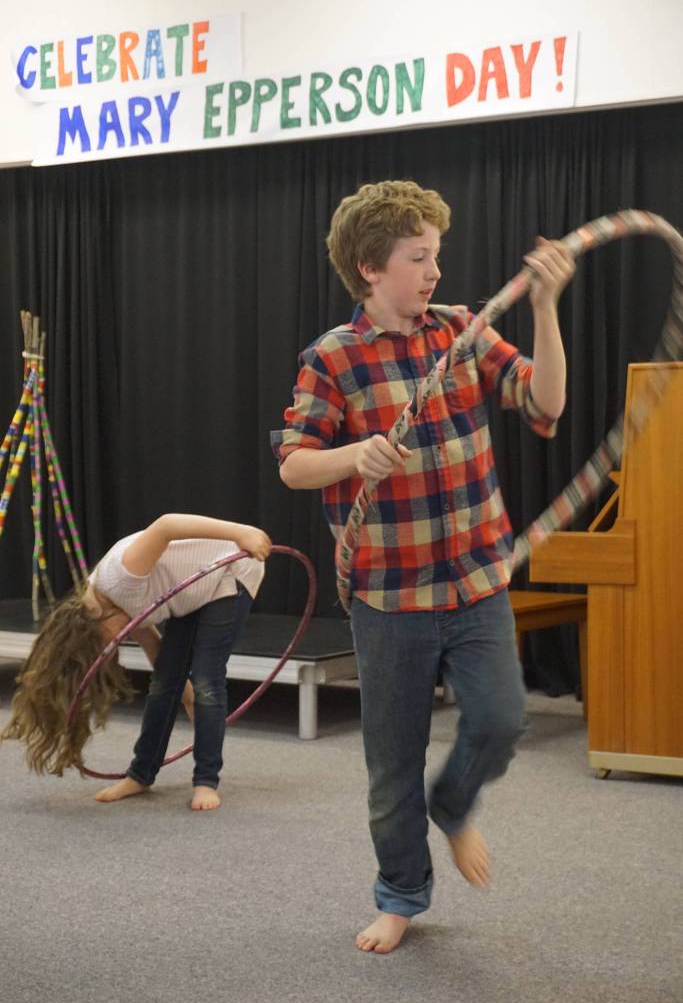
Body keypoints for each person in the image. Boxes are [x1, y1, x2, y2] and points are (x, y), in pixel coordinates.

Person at [271, 180, 573, 952]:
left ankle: (454, 803)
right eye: (418, 257)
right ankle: (401, 894)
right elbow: (294, 466)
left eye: (436, 254)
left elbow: (545, 408)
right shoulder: (333, 358)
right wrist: (354, 455)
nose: (434, 270)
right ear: (371, 268)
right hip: (387, 596)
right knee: (390, 764)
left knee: (502, 719)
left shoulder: (462, 333)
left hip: (475, 581)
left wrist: (543, 307)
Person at [1, 513, 271, 811]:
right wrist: (185, 696)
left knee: (207, 678)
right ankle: (141, 774)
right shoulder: (114, 609)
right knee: (162, 686)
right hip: (191, 590)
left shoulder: (122, 579)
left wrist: (242, 532)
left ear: (92, 626)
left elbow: (166, 525)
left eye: (105, 644)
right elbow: (158, 654)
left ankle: (206, 781)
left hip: (230, 570)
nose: (113, 647)